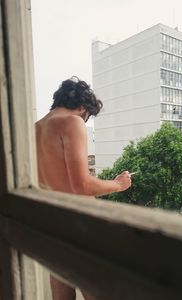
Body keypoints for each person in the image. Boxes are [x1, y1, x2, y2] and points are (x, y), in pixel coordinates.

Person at [35, 77, 132, 300]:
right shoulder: (72, 121)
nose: (84, 122)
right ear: (82, 107)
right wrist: (118, 184)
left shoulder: (35, 128)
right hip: (79, 224)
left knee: (61, 291)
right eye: (87, 117)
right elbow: (81, 185)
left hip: (51, 222)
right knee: (96, 290)